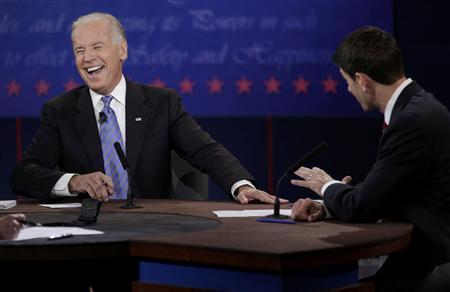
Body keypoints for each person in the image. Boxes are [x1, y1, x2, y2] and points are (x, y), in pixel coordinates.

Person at [10, 12, 284, 206]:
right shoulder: (60, 110)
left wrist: (242, 186)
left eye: (97, 46)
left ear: (122, 50)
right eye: (79, 50)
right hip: (89, 231)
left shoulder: (161, 103)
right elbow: (23, 174)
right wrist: (74, 182)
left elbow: (204, 150)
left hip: (152, 225)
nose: (87, 58)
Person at [290, 26, 450, 290]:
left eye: (347, 82)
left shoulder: (411, 121)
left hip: (431, 264)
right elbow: (388, 191)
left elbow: (362, 206)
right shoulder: (416, 108)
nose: (349, 90)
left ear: (362, 80)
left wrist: (326, 186)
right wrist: (329, 205)